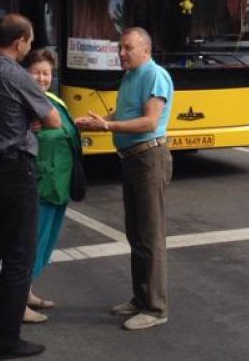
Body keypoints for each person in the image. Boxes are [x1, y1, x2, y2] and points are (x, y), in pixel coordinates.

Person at [0, 14, 61, 360]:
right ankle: (6, 340)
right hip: (14, 170)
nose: (30, 48)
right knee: (19, 258)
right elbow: (51, 119)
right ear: (19, 41)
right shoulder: (16, 76)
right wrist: (26, 122)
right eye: (30, 42)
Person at [75, 27, 174, 331]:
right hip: (132, 160)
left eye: (127, 48)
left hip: (149, 158)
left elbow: (149, 121)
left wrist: (108, 128)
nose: (121, 53)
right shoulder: (131, 76)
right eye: (120, 48)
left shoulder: (154, 75)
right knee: (136, 233)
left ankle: (156, 308)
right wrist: (99, 123)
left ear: (146, 49)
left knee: (150, 236)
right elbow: (124, 113)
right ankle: (140, 297)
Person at [22, 48, 81, 325]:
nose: (42, 78)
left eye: (46, 72)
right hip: (40, 184)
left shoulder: (53, 98)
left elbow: (64, 129)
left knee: (45, 241)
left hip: (59, 184)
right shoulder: (24, 102)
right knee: (31, 243)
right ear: (25, 73)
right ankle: (18, 302)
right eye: (36, 72)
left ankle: (27, 292)